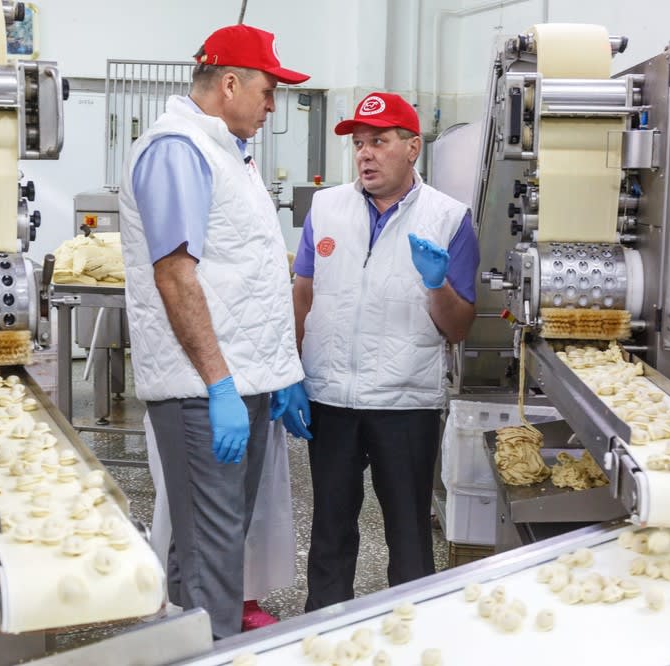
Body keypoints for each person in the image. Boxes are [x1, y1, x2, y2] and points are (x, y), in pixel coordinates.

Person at [118, 23, 311, 638]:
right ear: (229, 83)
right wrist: (221, 385)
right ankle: (215, 648)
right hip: (203, 389)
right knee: (215, 552)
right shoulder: (178, 150)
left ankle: (184, 640)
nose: (272, 105)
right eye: (268, 90)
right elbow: (175, 276)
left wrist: (279, 372)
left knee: (210, 544)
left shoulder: (228, 152)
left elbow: (244, 271)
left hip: (238, 380)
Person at [292, 92, 481, 611]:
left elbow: (458, 327)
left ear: (412, 147)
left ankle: (414, 632)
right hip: (331, 397)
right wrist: (292, 372)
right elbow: (303, 293)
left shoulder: (449, 218)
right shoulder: (326, 208)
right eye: (359, 144)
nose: (365, 154)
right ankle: (323, 632)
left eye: (379, 141)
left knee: (409, 537)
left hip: (405, 403)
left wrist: (437, 284)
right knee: (329, 533)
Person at [143, 412, 295, 631]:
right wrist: (220, 391)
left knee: (250, 502)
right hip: (195, 403)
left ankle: (243, 596)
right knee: (187, 501)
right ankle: (178, 597)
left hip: (255, 397)